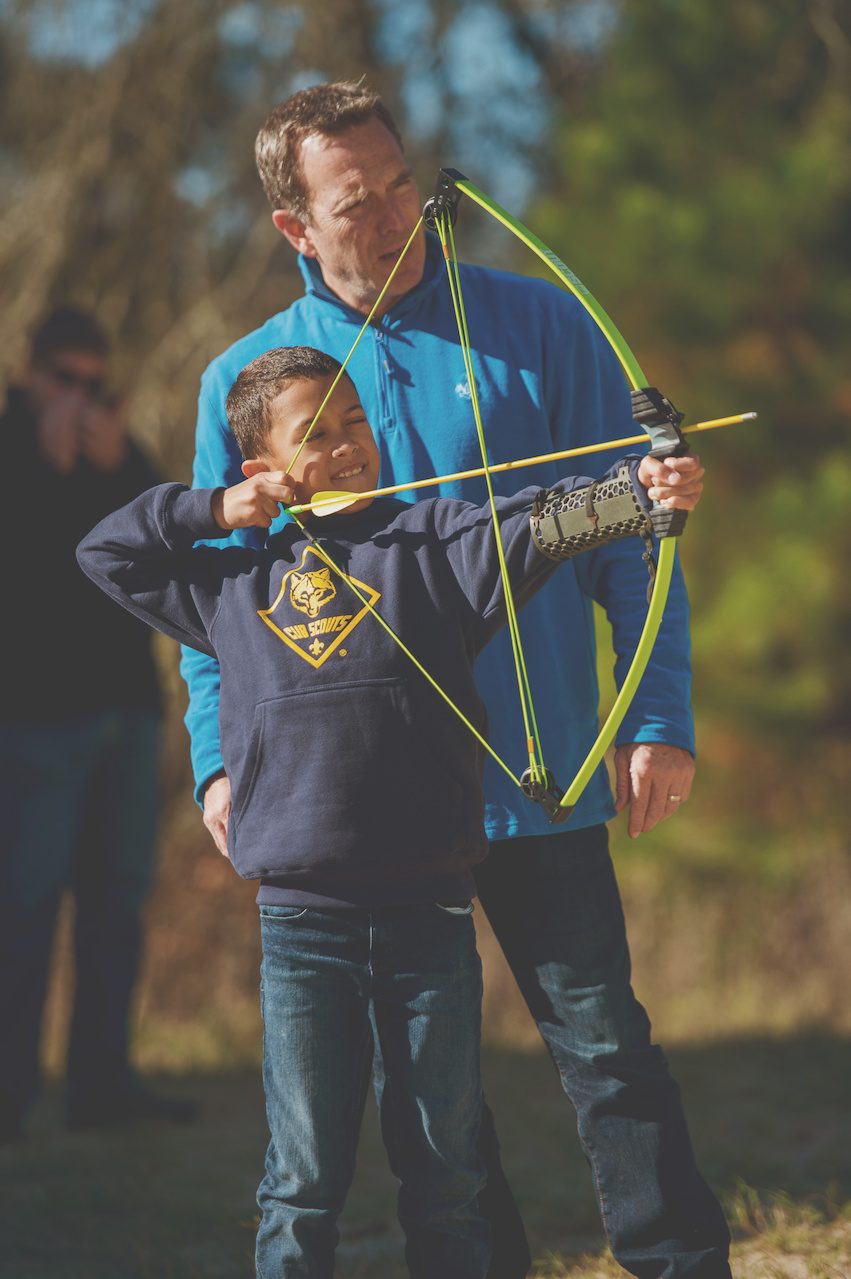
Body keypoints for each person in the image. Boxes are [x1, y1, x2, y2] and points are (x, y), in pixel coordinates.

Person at [181, 82, 733, 1278]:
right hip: (366, 811)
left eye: (398, 185)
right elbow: (207, 598)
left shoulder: (538, 326)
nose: (391, 218)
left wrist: (656, 711)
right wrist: (217, 757)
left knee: (603, 1046)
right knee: (432, 1100)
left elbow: (628, 533)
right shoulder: (251, 382)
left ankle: (677, 1260)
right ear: (293, 228)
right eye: (351, 201)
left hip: (546, 772)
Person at [77, 344, 705, 1277]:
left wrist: (645, 487)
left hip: (429, 920)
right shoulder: (226, 576)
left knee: (446, 1175)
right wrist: (213, 510)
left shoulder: (434, 540)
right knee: (300, 1184)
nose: (346, 445)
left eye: (354, 422)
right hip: (301, 923)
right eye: (315, 434)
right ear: (263, 467)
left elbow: (550, 523)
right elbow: (104, 551)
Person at [0, 305, 197, 1139]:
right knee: (24, 909)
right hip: (36, 721)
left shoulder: (123, 456)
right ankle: (10, 1094)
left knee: (117, 904)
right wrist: (43, 468)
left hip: (128, 713)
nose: (82, 398)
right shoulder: (13, 448)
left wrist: (117, 468)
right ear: (31, 374)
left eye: (95, 382)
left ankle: (101, 1083)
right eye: (66, 381)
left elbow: (171, 539)